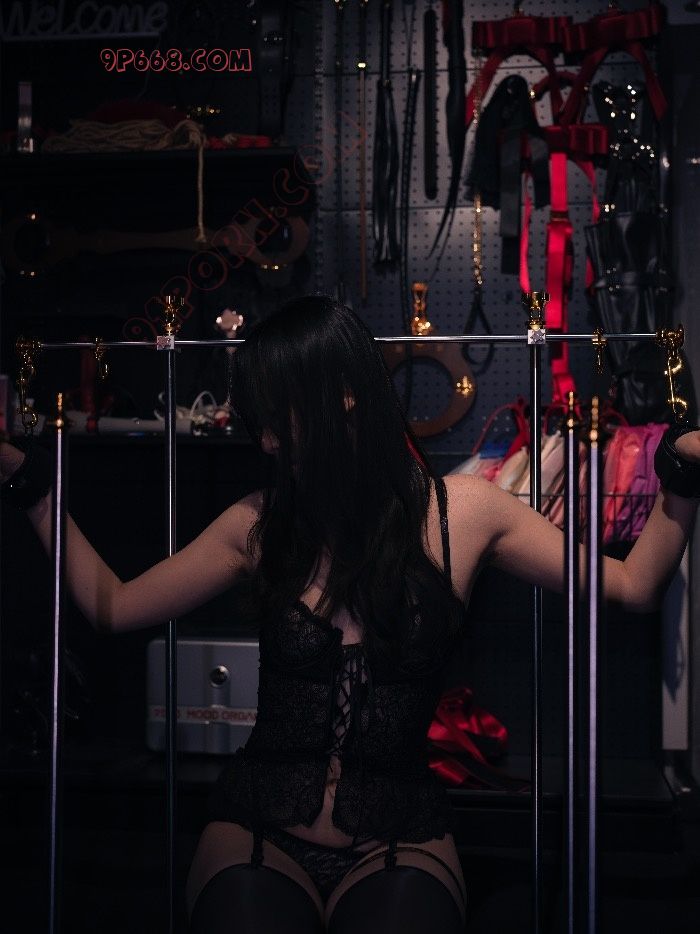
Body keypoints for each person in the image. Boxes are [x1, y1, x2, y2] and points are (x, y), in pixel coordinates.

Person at [1, 295, 699, 934]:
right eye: (259, 424)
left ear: (343, 396)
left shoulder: (465, 513)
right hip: (259, 829)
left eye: (279, 416)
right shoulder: (258, 525)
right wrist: (33, 492)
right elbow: (115, 606)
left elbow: (634, 585)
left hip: (400, 835)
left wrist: (684, 473)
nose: (267, 442)